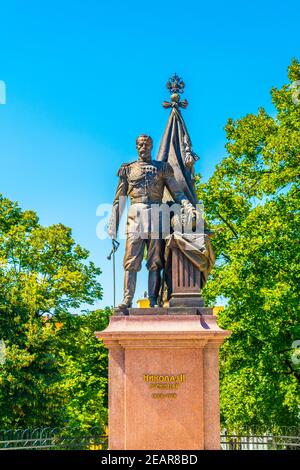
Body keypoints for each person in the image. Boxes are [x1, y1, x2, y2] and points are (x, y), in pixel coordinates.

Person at [108, 134, 193, 310]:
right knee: (131, 261)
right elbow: (119, 201)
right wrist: (112, 227)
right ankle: (127, 299)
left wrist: (187, 205)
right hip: (135, 217)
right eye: (140, 144)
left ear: (151, 146)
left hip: (157, 215)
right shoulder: (127, 169)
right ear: (136, 146)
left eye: (146, 144)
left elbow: (177, 193)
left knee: (155, 261)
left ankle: (153, 300)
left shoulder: (162, 168)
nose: (143, 147)